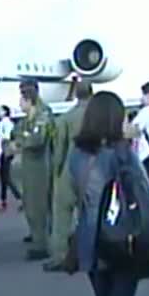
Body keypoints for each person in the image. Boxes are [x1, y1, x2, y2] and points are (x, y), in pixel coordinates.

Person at [69, 90, 149, 296]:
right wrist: (128, 144)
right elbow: (142, 186)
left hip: (89, 235)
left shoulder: (76, 154)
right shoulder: (120, 153)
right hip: (118, 236)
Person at [44, 81, 93, 271]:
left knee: (62, 214)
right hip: (94, 170)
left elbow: (59, 150)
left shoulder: (65, 118)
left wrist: (56, 171)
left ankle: (60, 256)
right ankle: (91, 254)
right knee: (91, 214)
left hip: (70, 168)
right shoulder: (98, 117)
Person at [15, 83, 52, 260]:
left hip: (40, 166)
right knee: (30, 202)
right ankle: (38, 237)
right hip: (30, 165)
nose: (20, 103)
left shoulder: (42, 115)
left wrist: (22, 139)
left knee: (38, 205)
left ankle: (41, 244)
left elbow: (37, 139)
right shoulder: (28, 119)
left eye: (22, 99)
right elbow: (18, 133)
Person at [0, 105, 21, 209]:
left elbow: (5, 137)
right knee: (4, 176)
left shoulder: (5, 123)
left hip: (5, 151)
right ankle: (4, 199)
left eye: (0, 110)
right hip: (5, 151)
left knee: (6, 176)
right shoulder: (6, 122)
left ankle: (19, 196)